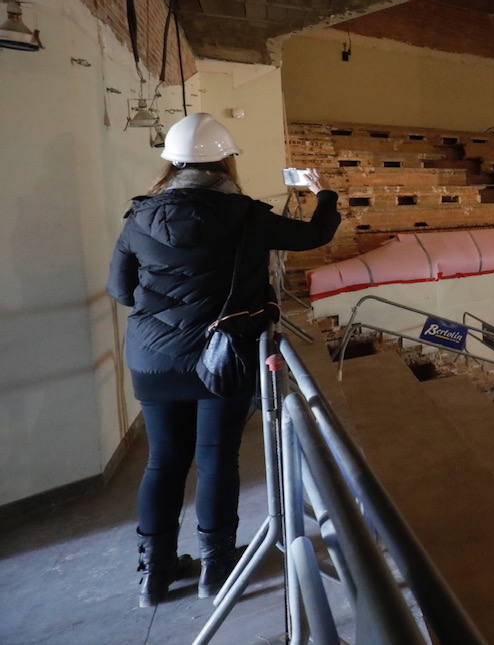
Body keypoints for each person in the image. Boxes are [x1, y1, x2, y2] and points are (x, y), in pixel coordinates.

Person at [107, 112, 341, 607]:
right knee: (215, 460)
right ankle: (216, 568)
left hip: (153, 361)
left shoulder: (139, 216)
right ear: (226, 161)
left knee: (163, 462)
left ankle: (155, 573)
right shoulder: (248, 215)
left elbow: (121, 290)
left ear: (171, 162)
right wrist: (325, 194)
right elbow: (316, 236)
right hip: (223, 358)